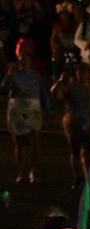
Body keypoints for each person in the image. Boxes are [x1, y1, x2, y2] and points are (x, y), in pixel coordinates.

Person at [53, 59, 90, 185]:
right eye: (80, 72)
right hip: (73, 123)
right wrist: (59, 81)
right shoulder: (71, 89)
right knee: (75, 151)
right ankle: (78, 177)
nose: (83, 74)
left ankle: (89, 177)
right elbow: (56, 94)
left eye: (85, 72)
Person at [4, 41, 47, 184]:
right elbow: (4, 89)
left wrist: (48, 109)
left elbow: (43, 93)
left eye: (27, 59)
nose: (24, 61)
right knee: (18, 142)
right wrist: (9, 75)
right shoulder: (14, 75)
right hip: (17, 107)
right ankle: (21, 172)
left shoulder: (36, 76)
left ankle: (33, 171)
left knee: (35, 141)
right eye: (22, 59)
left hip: (32, 107)